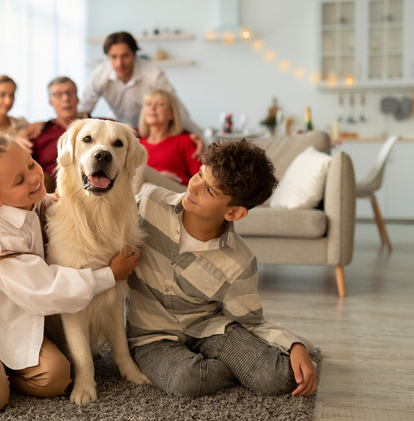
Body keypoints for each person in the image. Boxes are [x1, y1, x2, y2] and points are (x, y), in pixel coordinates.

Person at [0, 128, 140, 413]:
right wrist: (110, 275)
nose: (34, 177)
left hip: (14, 320)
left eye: (30, 163)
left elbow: (36, 198)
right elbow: (46, 290)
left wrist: (50, 198)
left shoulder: (28, 202)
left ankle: (0, 370)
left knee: (57, 378)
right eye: (20, 179)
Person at [127, 138, 318, 398]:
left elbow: (250, 322)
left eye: (209, 191)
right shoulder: (148, 202)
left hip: (209, 329)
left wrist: (294, 345)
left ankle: (254, 362)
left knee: (280, 378)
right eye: (198, 175)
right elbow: (105, 219)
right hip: (152, 336)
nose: (193, 188)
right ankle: (233, 369)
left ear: (234, 213)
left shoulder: (239, 261)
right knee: (187, 380)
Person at [78, 31, 204, 158]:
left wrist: (194, 135)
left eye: (125, 56)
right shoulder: (99, 75)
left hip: (149, 132)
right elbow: (83, 110)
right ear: (108, 57)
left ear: (134, 55)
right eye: (113, 57)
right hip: (119, 130)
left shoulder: (153, 74)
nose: (119, 63)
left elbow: (176, 110)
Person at [138, 89, 201, 186]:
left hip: (177, 193)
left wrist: (175, 180)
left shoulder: (184, 141)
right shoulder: (137, 145)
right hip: (143, 194)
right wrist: (157, 176)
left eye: (160, 104)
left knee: (141, 172)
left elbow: (201, 180)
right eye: (148, 104)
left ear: (171, 114)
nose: (153, 108)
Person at [31, 76, 82, 193]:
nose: (66, 98)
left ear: (77, 98)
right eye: (58, 95)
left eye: (70, 93)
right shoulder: (38, 134)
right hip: (53, 194)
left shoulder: (97, 125)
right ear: (50, 101)